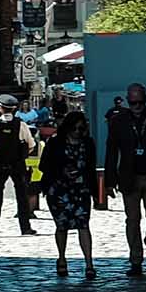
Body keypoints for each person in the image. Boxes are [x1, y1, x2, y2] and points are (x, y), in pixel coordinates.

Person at [106, 82, 146, 275]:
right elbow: (111, 151)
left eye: (140, 102)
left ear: (145, 100)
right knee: (132, 220)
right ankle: (135, 259)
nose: (137, 106)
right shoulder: (118, 121)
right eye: (133, 102)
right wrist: (110, 181)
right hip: (129, 177)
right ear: (128, 100)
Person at [40, 110, 100, 279]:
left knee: (83, 225)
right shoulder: (55, 142)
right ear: (68, 128)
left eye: (82, 129)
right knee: (61, 226)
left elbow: (91, 168)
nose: (79, 132)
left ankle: (89, 263)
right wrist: (62, 169)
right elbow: (44, 165)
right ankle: (61, 258)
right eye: (76, 129)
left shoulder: (87, 143)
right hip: (59, 189)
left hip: (81, 190)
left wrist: (95, 193)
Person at [0, 93, 40, 237]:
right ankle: (25, 227)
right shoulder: (21, 125)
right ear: (14, 109)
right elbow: (31, 144)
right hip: (17, 164)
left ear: (0, 109)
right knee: (21, 196)